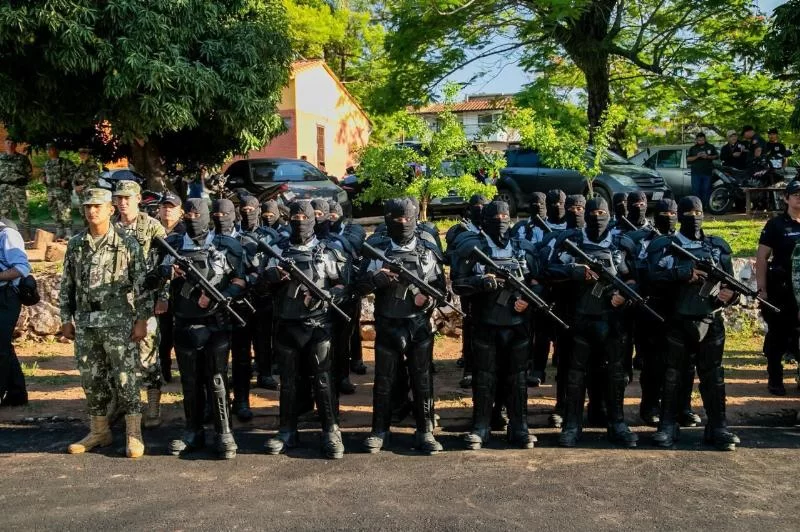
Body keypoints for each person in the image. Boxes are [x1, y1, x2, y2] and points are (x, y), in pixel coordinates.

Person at [59, 188, 148, 458]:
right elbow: (68, 284)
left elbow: (141, 285)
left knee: (126, 378)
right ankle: (99, 431)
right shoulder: (76, 243)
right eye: (87, 206)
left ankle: (134, 434)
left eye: (97, 206)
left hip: (118, 320)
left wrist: (142, 320)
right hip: (86, 323)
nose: (92, 211)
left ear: (111, 209)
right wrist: (66, 318)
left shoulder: (126, 243)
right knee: (91, 378)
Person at [647, 196, 740, 451]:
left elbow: (731, 284)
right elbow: (651, 278)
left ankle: (718, 426)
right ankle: (667, 424)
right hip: (676, 320)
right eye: (687, 212)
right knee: (672, 375)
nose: (694, 216)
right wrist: (682, 273)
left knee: (714, 376)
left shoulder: (717, 247)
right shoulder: (665, 246)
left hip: (711, 320)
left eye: (698, 211)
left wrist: (730, 295)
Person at [547, 197, 639, 448]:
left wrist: (625, 296)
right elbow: (549, 270)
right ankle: (572, 425)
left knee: (615, 373)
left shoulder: (621, 243)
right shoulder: (571, 242)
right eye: (593, 212)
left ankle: (617, 423)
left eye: (602, 212)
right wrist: (575, 272)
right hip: (579, 319)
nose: (597, 216)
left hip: (613, 320)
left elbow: (635, 278)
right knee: (575, 375)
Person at [262, 200, 351, 459]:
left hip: (318, 325)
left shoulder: (328, 251)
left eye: (305, 217)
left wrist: (327, 296)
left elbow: (343, 285)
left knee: (323, 381)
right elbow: (259, 285)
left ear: (314, 219)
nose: (299, 221)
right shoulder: (277, 250)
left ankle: (331, 431)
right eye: (295, 217)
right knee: (288, 382)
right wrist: (271, 278)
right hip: (286, 324)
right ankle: (286, 430)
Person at [159, 198, 245, 459]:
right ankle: (192, 431)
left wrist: (221, 296)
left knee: (217, 380)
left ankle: (224, 432)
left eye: (199, 213)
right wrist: (168, 272)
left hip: (215, 324)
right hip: (184, 324)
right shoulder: (172, 244)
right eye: (189, 213)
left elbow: (241, 280)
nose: (193, 217)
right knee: (190, 382)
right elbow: (153, 276)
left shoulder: (226, 245)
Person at [359, 198, 445, 454]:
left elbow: (441, 290)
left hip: (418, 326)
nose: (403, 224)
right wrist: (378, 279)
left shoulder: (427, 250)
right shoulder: (377, 249)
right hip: (387, 324)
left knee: (422, 381)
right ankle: (379, 431)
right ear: (388, 220)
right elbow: (358, 286)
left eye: (408, 218)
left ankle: (425, 431)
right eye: (397, 219)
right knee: (384, 381)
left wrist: (426, 298)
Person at [451, 200, 537, 450]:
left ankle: (519, 426)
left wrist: (526, 301)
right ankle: (481, 426)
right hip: (485, 323)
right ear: (485, 219)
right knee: (484, 378)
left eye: (505, 216)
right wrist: (481, 282)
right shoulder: (471, 247)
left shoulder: (522, 248)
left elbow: (538, 282)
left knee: (517, 378)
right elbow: (458, 284)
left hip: (518, 325)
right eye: (495, 216)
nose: (500, 220)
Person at [113, 180, 168, 428]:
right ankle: (123, 405)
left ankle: (153, 406)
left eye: (127, 198)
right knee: (119, 355)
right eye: (119, 198)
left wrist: (163, 296)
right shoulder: (110, 227)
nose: (122, 202)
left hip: (145, 300)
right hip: (116, 302)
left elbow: (167, 264)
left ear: (138, 199)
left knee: (148, 355)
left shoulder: (152, 227)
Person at [756, 180, 800, 396]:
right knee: (778, 336)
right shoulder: (775, 225)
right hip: (781, 289)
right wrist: (762, 289)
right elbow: (762, 258)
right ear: (786, 198)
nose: (799, 198)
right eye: (795, 194)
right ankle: (775, 378)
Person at [446, 194, 489, 389]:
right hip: (468, 284)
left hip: (489, 288)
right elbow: (449, 258)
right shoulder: (459, 231)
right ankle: (469, 365)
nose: (480, 209)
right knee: (470, 323)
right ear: (470, 209)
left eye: (484, 206)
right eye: (477, 206)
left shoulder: (493, 227)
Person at [0, 217, 31, 407]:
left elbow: (22, 268)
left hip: (6, 295)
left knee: (0, 347)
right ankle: (17, 393)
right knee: (2, 345)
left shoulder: (7, 234)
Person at [155, 192, 185, 382]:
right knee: (163, 336)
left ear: (180, 212)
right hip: (157, 290)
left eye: (171, 207)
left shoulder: (185, 232)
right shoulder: (153, 231)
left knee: (180, 334)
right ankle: (164, 371)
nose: (167, 210)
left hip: (180, 291)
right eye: (164, 206)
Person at [0, 137, 32, 241]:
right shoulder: (0, 158)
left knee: (23, 211)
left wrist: (23, 181)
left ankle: (26, 235)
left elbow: (29, 173)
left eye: (12, 143)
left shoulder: (22, 159)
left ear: (15, 145)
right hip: (3, 188)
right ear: (4, 145)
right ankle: (6, 235)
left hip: (18, 187)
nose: (10, 145)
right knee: (4, 212)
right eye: (8, 143)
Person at [42, 143, 76, 240]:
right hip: (50, 191)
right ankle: (59, 231)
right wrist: (43, 178)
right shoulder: (47, 163)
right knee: (54, 211)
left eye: (51, 149)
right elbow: (43, 173)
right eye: (48, 150)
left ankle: (69, 232)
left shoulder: (65, 162)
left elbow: (74, 173)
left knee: (65, 211)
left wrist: (67, 180)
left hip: (62, 191)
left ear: (57, 150)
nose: (49, 151)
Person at [687, 132, 718, 208]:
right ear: (696, 140)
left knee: (706, 190)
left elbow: (716, 156)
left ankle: (706, 207)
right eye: (699, 140)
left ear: (705, 139)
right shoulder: (693, 148)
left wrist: (707, 157)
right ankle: (697, 207)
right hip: (696, 173)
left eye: (702, 140)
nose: (701, 141)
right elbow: (688, 159)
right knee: (696, 191)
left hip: (707, 172)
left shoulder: (710, 147)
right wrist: (697, 156)